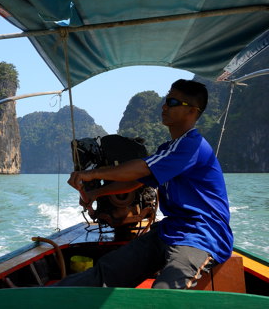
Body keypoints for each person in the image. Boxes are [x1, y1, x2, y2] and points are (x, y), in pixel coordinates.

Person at [57, 79, 233, 289]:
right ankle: (45, 297)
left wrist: (91, 174)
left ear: (192, 112)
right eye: (167, 100)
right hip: (171, 229)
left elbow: (141, 168)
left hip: (202, 234)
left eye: (174, 102)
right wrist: (98, 193)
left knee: (164, 291)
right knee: (107, 271)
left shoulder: (192, 146)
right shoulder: (168, 148)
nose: (164, 106)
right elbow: (134, 181)